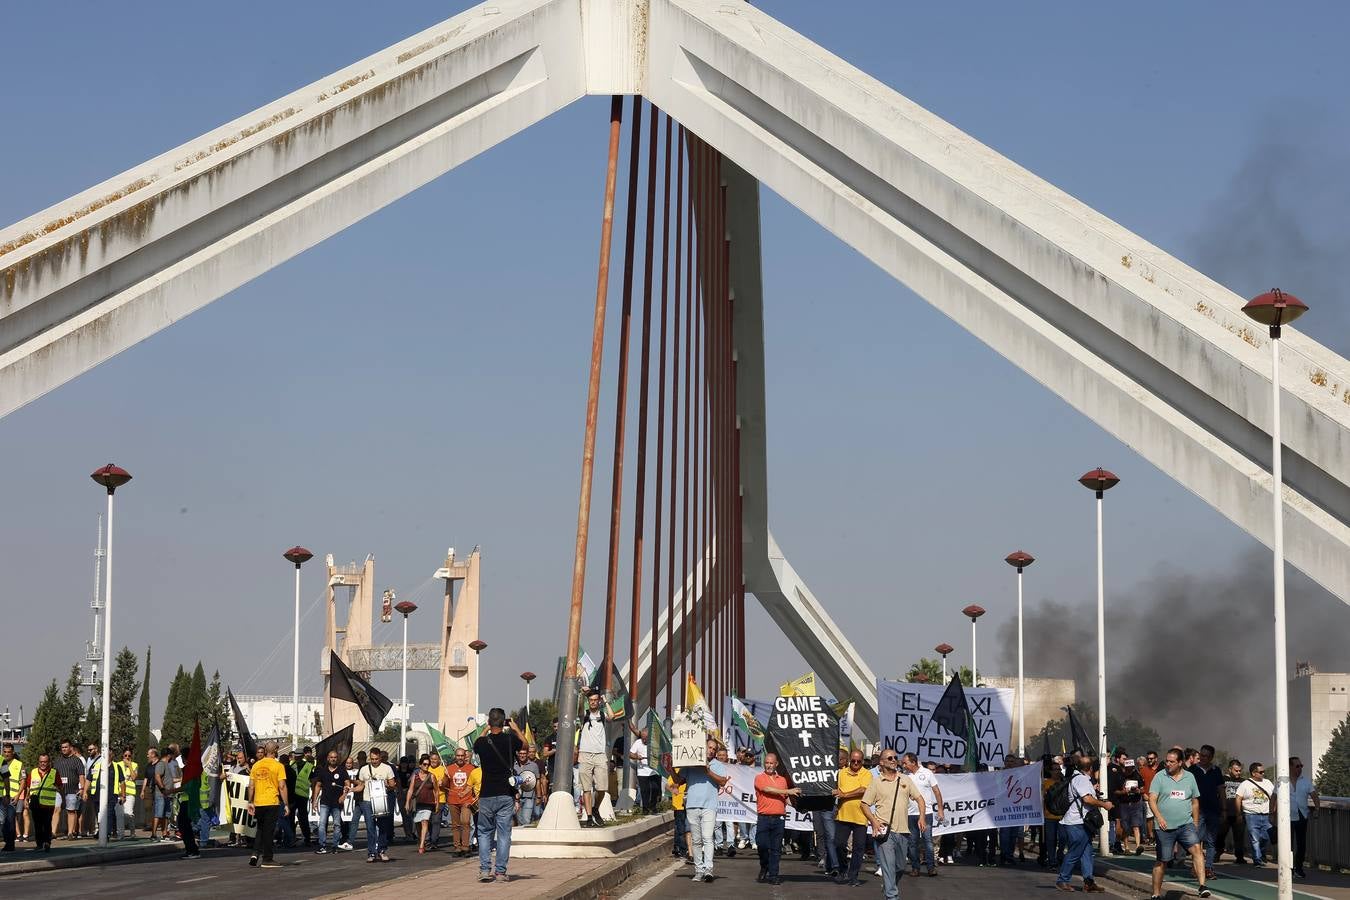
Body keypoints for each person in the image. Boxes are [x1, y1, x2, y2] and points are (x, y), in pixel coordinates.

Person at [1145, 748, 1211, 899]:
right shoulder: (1159, 777)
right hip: (1164, 827)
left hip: (1185, 824)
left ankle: (1202, 886)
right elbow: (1152, 800)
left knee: (1197, 850)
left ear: (1180, 762)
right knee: (1163, 861)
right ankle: (1156, 893)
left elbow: (1195, 801)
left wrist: (1194, 822)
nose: (1168, 764)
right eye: (1167, 761)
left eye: (1172, 761)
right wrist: (1159, 817)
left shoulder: (1190, 777)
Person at [472, 707, 527, 882]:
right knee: (504, 834)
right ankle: (501, 872)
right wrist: (516, 728)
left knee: (484, 833)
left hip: (486, 794)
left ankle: (484, 870)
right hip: (505, 793)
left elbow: (476, 742)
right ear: (504, 722)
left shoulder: (482, 743)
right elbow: (525, 744)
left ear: (489, 722)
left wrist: (486, 729)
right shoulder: (511, 739)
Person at [862, 749, 924, 900]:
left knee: (900, 867)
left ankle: (889, 887)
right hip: (885, 833)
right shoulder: (876, 783)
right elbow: (864, 804)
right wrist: (874, 821)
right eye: (890, 758)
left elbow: (920, 799)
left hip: (903, 831)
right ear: (881, 762)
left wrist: (922, 817)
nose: (894, 760)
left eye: (895, 757)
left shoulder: (905, 780)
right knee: (888, 868)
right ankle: (892, 896)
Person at [1055, 752, 1112, 893]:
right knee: (1075, 852)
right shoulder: (1081, 780)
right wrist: (1103, 805)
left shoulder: (1079, 778)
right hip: (1076, 822)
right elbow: (1087, 799)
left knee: (1087, 852)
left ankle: (1088, 882)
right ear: (1091, 768)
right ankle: (1062, 880)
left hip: (1080, 822)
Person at [676, 738, 730, 883]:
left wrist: (707, 770)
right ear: (702, 747)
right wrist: (669, 767)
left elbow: (723, 781)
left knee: (707, 838)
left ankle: (708, 870)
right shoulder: (690, 763)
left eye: (714, 749)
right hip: (692, 805)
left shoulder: (716, 765)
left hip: (709, 807)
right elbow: (678, 780)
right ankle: (698, 870)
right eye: (709, 747)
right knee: (697, 840)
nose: (711, 751)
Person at [752, 751, 801, 884]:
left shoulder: (783, 780)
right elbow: (768, 789)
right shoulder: (759, 777)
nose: (768, 765)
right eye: (766, 763)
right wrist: (788, 791)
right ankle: (765, 866)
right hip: (764, 818)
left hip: (779, 818)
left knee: (776, 848)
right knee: (762, 845)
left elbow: (785, 799)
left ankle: (773, 875)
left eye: (771, 763)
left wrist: (799, 806)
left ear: (776, 764)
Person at [246, 741, 290, 868]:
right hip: (271, 801)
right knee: (269, 831)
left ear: (265, 750)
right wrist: (286, 804)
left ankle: (255, 853)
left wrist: (250, 802)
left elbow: (251, 786)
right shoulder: (278, 766)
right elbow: (282, 786)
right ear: (275, 750)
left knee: (260, 828)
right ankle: (267, 858)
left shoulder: (256, 765)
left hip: (259, 802)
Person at [832, 748, 873, 886]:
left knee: (859, 848)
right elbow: (833, 788)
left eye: (859, 761)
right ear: (850, 760)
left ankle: (853, 875)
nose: (855, 763)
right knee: (838, 844)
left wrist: (844, 794)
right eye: (853, 760)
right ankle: (843, 869)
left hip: (861, 817)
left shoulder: (867, 774)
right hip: (842, 816)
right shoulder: (841, 773)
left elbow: (863, 789)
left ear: (862, 761)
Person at [900, 752, 942, 876]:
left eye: (905, 763)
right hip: (910, 814)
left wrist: (940, 809)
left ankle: (930, 867)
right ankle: (915, 867)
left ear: (913, 762)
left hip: (927, 813)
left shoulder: (927, 773)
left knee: (928, 841)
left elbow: (937, 792)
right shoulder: (904, 776)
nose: (903, 765)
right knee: (912, 842)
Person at [355, 747, 398, 863]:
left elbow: (393, 785)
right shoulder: (364, 769)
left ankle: (382, 850)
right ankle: (371, 852)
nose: (374, 761)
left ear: (380, 758)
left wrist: (386, 785)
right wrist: (351, 790)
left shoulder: (387, 768)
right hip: (367, 800)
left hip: (380, 800)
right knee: (370, 827)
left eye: (376, 759)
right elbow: (361, 785)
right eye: (372, 759)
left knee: (383, 827)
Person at [1189, 744, 1224, 879]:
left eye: (1206, 756)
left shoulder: (1216, 770)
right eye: (1201, 755)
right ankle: (1195, 867)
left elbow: (1221, 790)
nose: (1202, 758)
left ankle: (1209, 868)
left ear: (1211, 757)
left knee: (1211, 841)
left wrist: (1224, 809)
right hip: (1198, 811)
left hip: (1213, 811)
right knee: (1196, 840)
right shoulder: (1192, 770)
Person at [576, 692, 610, 827]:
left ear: (599, 701)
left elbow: (612, 716)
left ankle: (596, 809)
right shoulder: (584, 714)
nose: (593, 702)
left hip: (600, 754)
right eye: (591, 700)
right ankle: (589, 816)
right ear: (588, 701)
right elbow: (578, 709)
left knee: (602, 788)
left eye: (596, 700)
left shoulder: (602, 715)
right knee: (586, 788)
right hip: (585, 754)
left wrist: (606, 702)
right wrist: (581, 696)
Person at [1234, 761, 1275, 867]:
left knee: (1265, 837)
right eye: (1261, 772)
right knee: (1255, 838)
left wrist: (1274, 811)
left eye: (1263, 771)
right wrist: (1239, 814)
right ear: (1253, 773)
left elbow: (1274, 797)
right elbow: (1238, 798)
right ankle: (1257, 859)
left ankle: (1261, 854)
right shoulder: (1245, 784)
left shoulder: (1268, 783)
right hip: (1251, 815)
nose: (1263, 774)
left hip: (1266, 815)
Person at [311, 750, 348, 854]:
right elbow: (318, 786)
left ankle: (335, 846)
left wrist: (344, 795)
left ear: (337, 759)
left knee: (337, 824)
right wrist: (314, 801)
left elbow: (347, 784)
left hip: (337, 802)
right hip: (325, 802)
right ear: (328, 758)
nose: (333, 759)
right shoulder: (323, 771)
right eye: (331, 757)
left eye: (335, 757)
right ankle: (322, 845)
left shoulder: (342, 770)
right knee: (322, 823)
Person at [22, 753, 60, 852]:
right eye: (41, 762)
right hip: (35, 803)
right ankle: (39, 844)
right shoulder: (33, 772)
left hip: (48, 804)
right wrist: (26, 799)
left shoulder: (54, 772)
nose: (43, 764)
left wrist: (62, 800)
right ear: (38, 762)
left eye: (45, 762)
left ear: (49, 762)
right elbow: (28, 787)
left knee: (47, 824)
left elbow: (60, 787)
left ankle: (47, 842)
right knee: (38, 824)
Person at [1288, 756, 1319, 879]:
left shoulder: (1305, 781)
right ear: (1290, 767)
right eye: (1297, 766)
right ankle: (1288, 868)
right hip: (1287, 817)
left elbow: (1315, 796)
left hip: (1302, 815)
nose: (1300, 768)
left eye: (1301, 766)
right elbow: (1274, 797)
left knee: (1301, 844)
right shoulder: (1282, 781)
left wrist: (1317, 809)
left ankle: (1299, 868)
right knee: (1287, 845)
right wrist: (1272, 814)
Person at [445, 747, 476, 857]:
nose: (460, 758)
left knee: (465, 823)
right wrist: (443, 778)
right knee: (455, 825)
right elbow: (445, 785)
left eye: (462, 755)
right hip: (453, 800)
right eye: (458, 756)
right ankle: (457, 847)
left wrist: (473, 799)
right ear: (455, 756)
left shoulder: (471, 768)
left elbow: (474, 784)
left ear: (465, 756)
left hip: (466, 800)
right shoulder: (448, 769)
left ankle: (466, 847)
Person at [1214, 758, 1246, 864]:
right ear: (1229, 769)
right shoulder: (1222, 779)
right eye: (1236, 770)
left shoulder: (1243, 782)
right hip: (1225, 813)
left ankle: (1240, 856)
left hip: (1238, 814)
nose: (1238, 773)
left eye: (1239, 771)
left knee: (1239, 836)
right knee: (1220, 835)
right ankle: (1217, 853)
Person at [1113, 753, 1145, 855]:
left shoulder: (1137, 775)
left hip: (1136, 802)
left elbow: (1142, 789)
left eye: (1131, 768)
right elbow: (1115, 791)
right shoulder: (1119, 776)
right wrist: (1123, 792)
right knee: (1125, 826)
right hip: (1124, 803)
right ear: (1124, 768)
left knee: (1136, 825)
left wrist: (1138, 791)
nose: (1130, 770)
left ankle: (1138, 845)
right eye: (1128, 768)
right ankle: (1126, 847)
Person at [407, 754, 438, 853]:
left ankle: (421, 846)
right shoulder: (415, 777)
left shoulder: (432, 776)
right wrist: (407, 802)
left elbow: (436, 791)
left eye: (428, 765)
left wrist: (436, 803)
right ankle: (422, 840)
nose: (426, 766)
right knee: (418, 824)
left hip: (428, 803)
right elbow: (410, 790)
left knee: (425, 821)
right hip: (417, 803)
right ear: (420, 765)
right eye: (424, 764)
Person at [54, 740, 85, 839]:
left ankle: (70, 833)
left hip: (72, 791)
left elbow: (81, 775)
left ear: (70, 748)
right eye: (62, 747)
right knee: (56, 809)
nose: (64, 749)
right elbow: (53, 775)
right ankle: (53, 832)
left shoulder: (77, 760)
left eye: (66, 747)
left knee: (71, 811)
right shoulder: (58, 761)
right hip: (59, 790)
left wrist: (83, 789)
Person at [1039, 756, 1065, 870]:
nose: (1057, 771)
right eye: (1055, 769)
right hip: (1049, 816)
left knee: (1063, 838)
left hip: (1063, 816)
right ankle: (1052, 860)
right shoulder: (1045, 783)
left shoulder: (1064, 783)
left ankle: (1060, 854)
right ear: (1050, 771)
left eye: (1059, 769)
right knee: (1050, 839)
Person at [628, 725, 658, 814]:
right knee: (645, 790)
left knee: (655, 789)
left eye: (646, 738)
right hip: (642, 771)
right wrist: (637, 756)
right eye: (643, 738)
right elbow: (630, 754)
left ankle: (653, 806)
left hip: (654, 770)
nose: (644, 740)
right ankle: (645, 808)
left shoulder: (655, 742)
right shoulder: (637, 743)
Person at [425, 751, 450, 849]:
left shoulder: (443, 769)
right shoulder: (427, 769)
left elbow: (447, 784)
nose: (433, 761)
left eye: (435, 759)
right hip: (428, 799)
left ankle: (434, 841)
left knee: (436, 820)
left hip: (440, 799)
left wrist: (443, 782)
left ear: (439, 760)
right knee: (428, 821)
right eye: (432, 759)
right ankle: (428, 839)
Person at [1, 743, 22, 851]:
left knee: (10, 820)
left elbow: (23, 781)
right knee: (3, 821)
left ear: (13, 753)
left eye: (9, 752)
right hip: (1, 796)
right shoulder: (1, 762)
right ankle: (7, 841)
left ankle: (10, 844)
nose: (7, 754)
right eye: (5, 752)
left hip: (12, 797)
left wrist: (18, 796)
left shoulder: (18, 764)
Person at [514, 745, 540, 826]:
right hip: (516, 798)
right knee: (518, 820)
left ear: (527, 754)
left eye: (524, 753)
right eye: (520, 753)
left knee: (526, 820)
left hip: (529, 796)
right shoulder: (513, 765)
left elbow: (538, 781)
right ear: (518, 754)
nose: (522, 755)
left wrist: (539, 796)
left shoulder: (534, 765)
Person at [668, 772, 688, 861]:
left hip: (689, 804)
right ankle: (681, 849)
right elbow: (668, 785)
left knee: (682, 827)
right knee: (680, 828)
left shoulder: (690, 771)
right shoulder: (676, 771)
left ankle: (678, 847)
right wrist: (673, 790)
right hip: (678, 805)